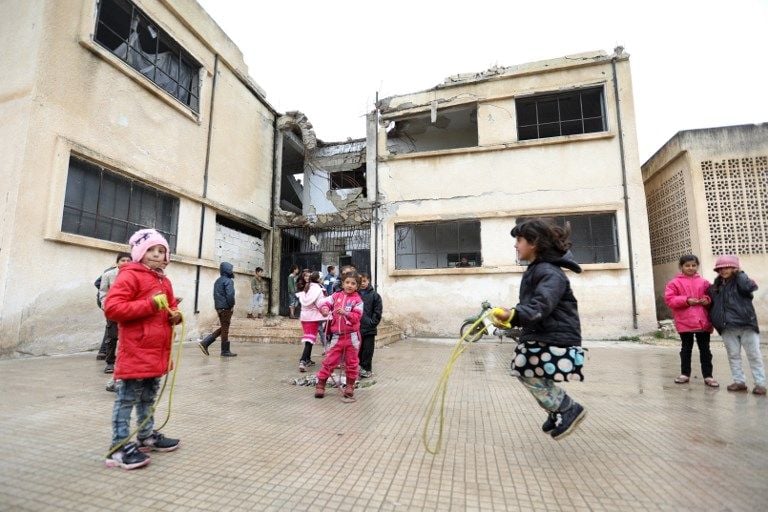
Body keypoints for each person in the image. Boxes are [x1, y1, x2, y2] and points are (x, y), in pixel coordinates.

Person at [494, 218, 587, 440]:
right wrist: (512, 317)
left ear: (533, 243)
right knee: (526, 368)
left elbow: (541, 305)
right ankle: (555, 410)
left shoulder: (549, 272)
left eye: (519, 240)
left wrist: (515, 315)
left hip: (554, 335)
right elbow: (532, 306)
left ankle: (567, 408)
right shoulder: (538, 269)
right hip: (543, 332)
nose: (516, 245)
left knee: (524, 366)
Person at [103, 228, 182, 470]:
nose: (157, 255)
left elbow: (168, 308)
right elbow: (113, 308)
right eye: (151, 250)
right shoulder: (129, 276)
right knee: (126, 398)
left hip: (156, 352)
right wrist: (148, 304)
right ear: (139, 253)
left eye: (162, 251)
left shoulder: (164, 281)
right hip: (135, 351)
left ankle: (146, 435)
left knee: (149, 396)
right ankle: (118, 447)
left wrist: (175, 316)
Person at [707, 255, 765, 395]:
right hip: (727, 327)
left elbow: (750, 287)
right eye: (720, 268)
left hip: (746, 325)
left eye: (727, 267)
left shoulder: (742, 281)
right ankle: (739, 382)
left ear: (735, 268)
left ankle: (760, 384)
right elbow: (712, 302)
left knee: (754, 355)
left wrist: (740, 274)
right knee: (733, 355)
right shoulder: (717, 286)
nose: (723, 270)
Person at [664, 255, 719, 387]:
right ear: (681, 267)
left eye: (693, 265)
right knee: (686, 348)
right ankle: (685, 374)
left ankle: (708, 376)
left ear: (697, 266)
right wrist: (686, 300)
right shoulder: (674, 283)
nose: (691, 268)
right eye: (687, 265)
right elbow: (670, 300)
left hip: (702, 321)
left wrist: (707, 299)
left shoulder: (704, 282)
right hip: (685, 321)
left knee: (705, 349)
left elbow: (712, 296)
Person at [314, 272, 364, 400]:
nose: (349, 285)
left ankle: (350, 386)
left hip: (352, 337)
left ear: (357, 286)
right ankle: (321, 384)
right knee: (329, 361)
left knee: (352, 363)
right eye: (347, 282)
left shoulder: (358, 300)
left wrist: (346, 313)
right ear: (342, 283)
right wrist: (324, 310)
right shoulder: (336, 296)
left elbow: (357, 317)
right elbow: (322, 303)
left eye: (353, 283)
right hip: (337, 336)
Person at [98, 252, 132, 375]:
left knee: (129, 337)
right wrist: (106, 306)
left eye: (129, 260)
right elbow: (103, 293)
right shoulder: (108, 275)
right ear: (117, 262)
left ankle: (126, 362)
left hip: (129, 310)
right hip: (113, 310)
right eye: (123, 260)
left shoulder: (134, 275)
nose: (126, 263)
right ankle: (110, 362)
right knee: (112, 336)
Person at [198, 262, 237, 357]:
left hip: (219, 307)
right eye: (231, 269)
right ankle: (224, 351)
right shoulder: (228, 281)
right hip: (226, 308)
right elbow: (230, 295)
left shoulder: (218, 281)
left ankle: (206, 342)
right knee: (225, 329)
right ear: (228, 270)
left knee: (224, 327)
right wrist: (232, 305)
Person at [296, 271, 330, 372]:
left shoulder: (307, 287)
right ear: (319, 279)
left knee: (310, 338)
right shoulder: (318, 290)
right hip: (313, 317)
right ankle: (302, 361)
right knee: (309, 339)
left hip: (304, 317)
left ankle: (308, 359)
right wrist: (325, 312)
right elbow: (320, 303)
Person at [358, 273, 382, 379]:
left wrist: (372, 322)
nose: (362, 284)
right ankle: (357, 368)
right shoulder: (355, 294)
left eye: (364, 281)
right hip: (356, 328)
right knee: (358, 349)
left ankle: (367, 369)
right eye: (360, 281)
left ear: (368, 281)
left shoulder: (375, 295)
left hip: (369, 328)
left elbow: (377, 312)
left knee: (368, 350)